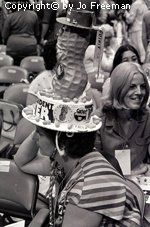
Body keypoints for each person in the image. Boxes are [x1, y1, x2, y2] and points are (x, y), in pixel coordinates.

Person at [14, 90, 141, 226]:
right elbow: (23, 161)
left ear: (61, 142)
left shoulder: (88, 187)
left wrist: (51, 127)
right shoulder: (72, 160)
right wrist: (45, 123)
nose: (34, 137)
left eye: (39, 133)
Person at [95, 62, 150, 177]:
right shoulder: (97, 120)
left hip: (140, 182)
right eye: (132, 86)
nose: (139, 92)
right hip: (107, 182)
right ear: (118, 88)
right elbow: (94, 166)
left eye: (143, 86)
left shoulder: (148, 117)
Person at [2, 0, 40, 66]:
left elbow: (4, 35)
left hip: (13, 47)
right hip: (30, 47)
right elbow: (37, 34)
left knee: (13, 67)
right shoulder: (34, 15)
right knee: (30, 67)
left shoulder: (10, 16)